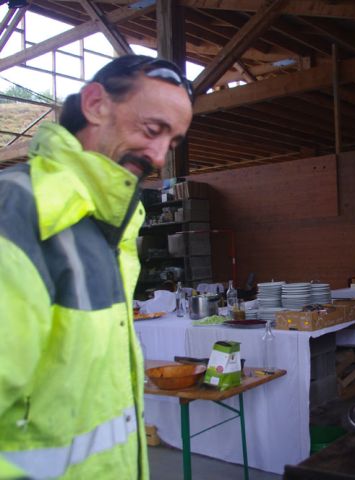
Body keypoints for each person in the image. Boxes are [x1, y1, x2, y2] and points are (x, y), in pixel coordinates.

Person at [0, 55, 193, 479]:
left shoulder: (107, 232)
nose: (160, 156)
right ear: (94, 104)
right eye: (152, 129)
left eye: (172, 142)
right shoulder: (22, 210)